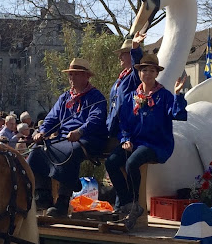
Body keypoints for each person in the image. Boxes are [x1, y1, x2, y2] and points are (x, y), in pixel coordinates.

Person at [104, 53, 187, 231]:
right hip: (134, 141)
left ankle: (134, 203)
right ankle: (128, 203)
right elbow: (123, 122)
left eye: (151, 71)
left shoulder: (164, 95)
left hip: (155, 144)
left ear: (156, 73)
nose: (147, 74)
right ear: (139, 73)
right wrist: (125, 139)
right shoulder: (131, 96)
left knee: (132, 163)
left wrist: (178, 94)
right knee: (111, 162)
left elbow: (178, 114)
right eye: (144, 70)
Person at [28, 58, 108, 217]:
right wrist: (42, 131)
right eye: (70, 75)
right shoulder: (65, 97)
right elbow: (52, 118)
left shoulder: (96, 96)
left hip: (89, 138)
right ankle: (43, 194)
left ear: (86, 76)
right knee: (37, 150)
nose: (71, 78)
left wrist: (80, 131)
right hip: (65, 138)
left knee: (69, 151)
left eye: (75, 75)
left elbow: (96, 119)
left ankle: (63, 201)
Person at [107, 31, 146, 144]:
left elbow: (137, 63)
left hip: (127, 129)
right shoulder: (121, 77)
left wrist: (135, 48)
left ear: (131, 55)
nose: (119, 57)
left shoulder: (135, 76)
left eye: (123, 53)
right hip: (115, 127)